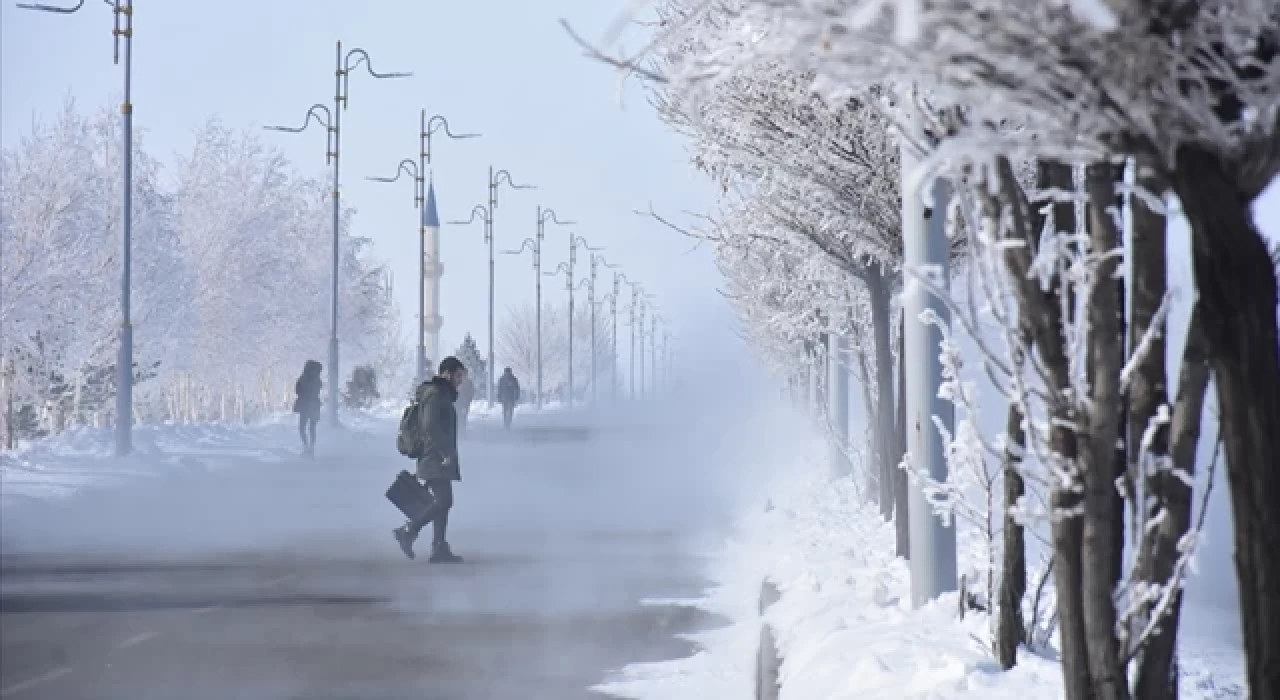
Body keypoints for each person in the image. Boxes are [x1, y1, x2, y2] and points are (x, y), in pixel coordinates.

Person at [393, 356, 467, 563]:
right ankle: (408, 531)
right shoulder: (435, 395)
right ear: (447, 373)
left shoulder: (442, 394)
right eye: (458, 376)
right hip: (434, 457)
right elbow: (430, 426)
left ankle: (439, 546)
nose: (460, 381)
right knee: (444, 500)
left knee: (443, 502)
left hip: (439, 456)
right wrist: (444, 453)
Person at [292, 360, 323, 456]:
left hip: (304, 405)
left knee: (302, 427)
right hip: (314, 405)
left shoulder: (302, 378)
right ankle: (311, 447)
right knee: (312, 428)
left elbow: (297, 391)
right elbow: (316, 391)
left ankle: (306, 446)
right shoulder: (317, 380)